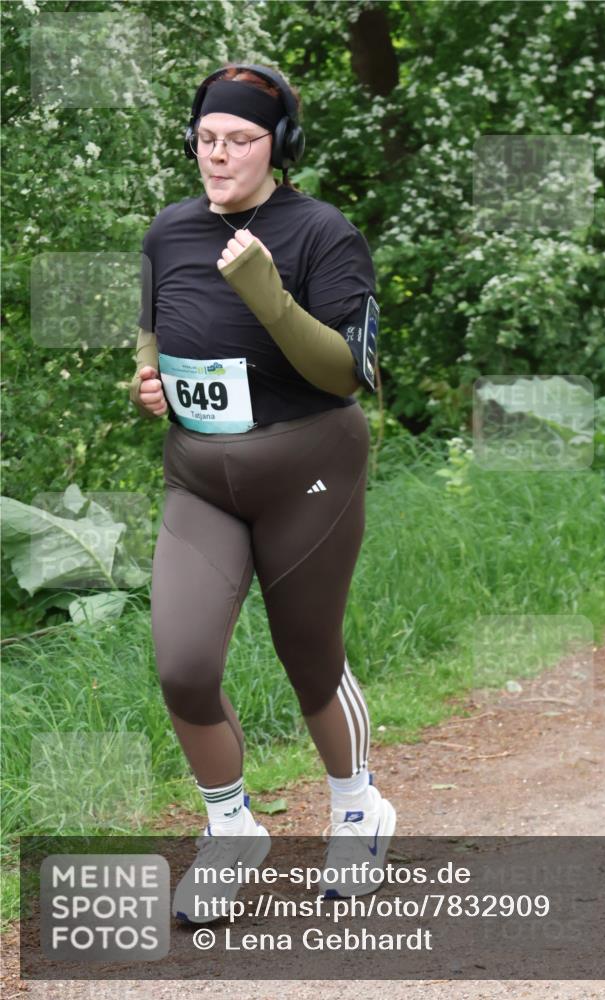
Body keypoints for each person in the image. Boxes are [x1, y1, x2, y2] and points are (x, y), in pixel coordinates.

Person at [130, 62, 394, 923]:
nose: (218, 154)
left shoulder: (322, 233)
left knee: (307, 652)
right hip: (200, 475)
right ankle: (231, 828)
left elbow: (346, 374)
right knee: (184, 666)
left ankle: (358, 811)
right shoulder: (169, 231)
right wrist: (147, 379)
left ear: (277, 147)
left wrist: (267, 294)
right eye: (206, 138)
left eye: (239, 139)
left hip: (308, 467)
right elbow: (153, 330)